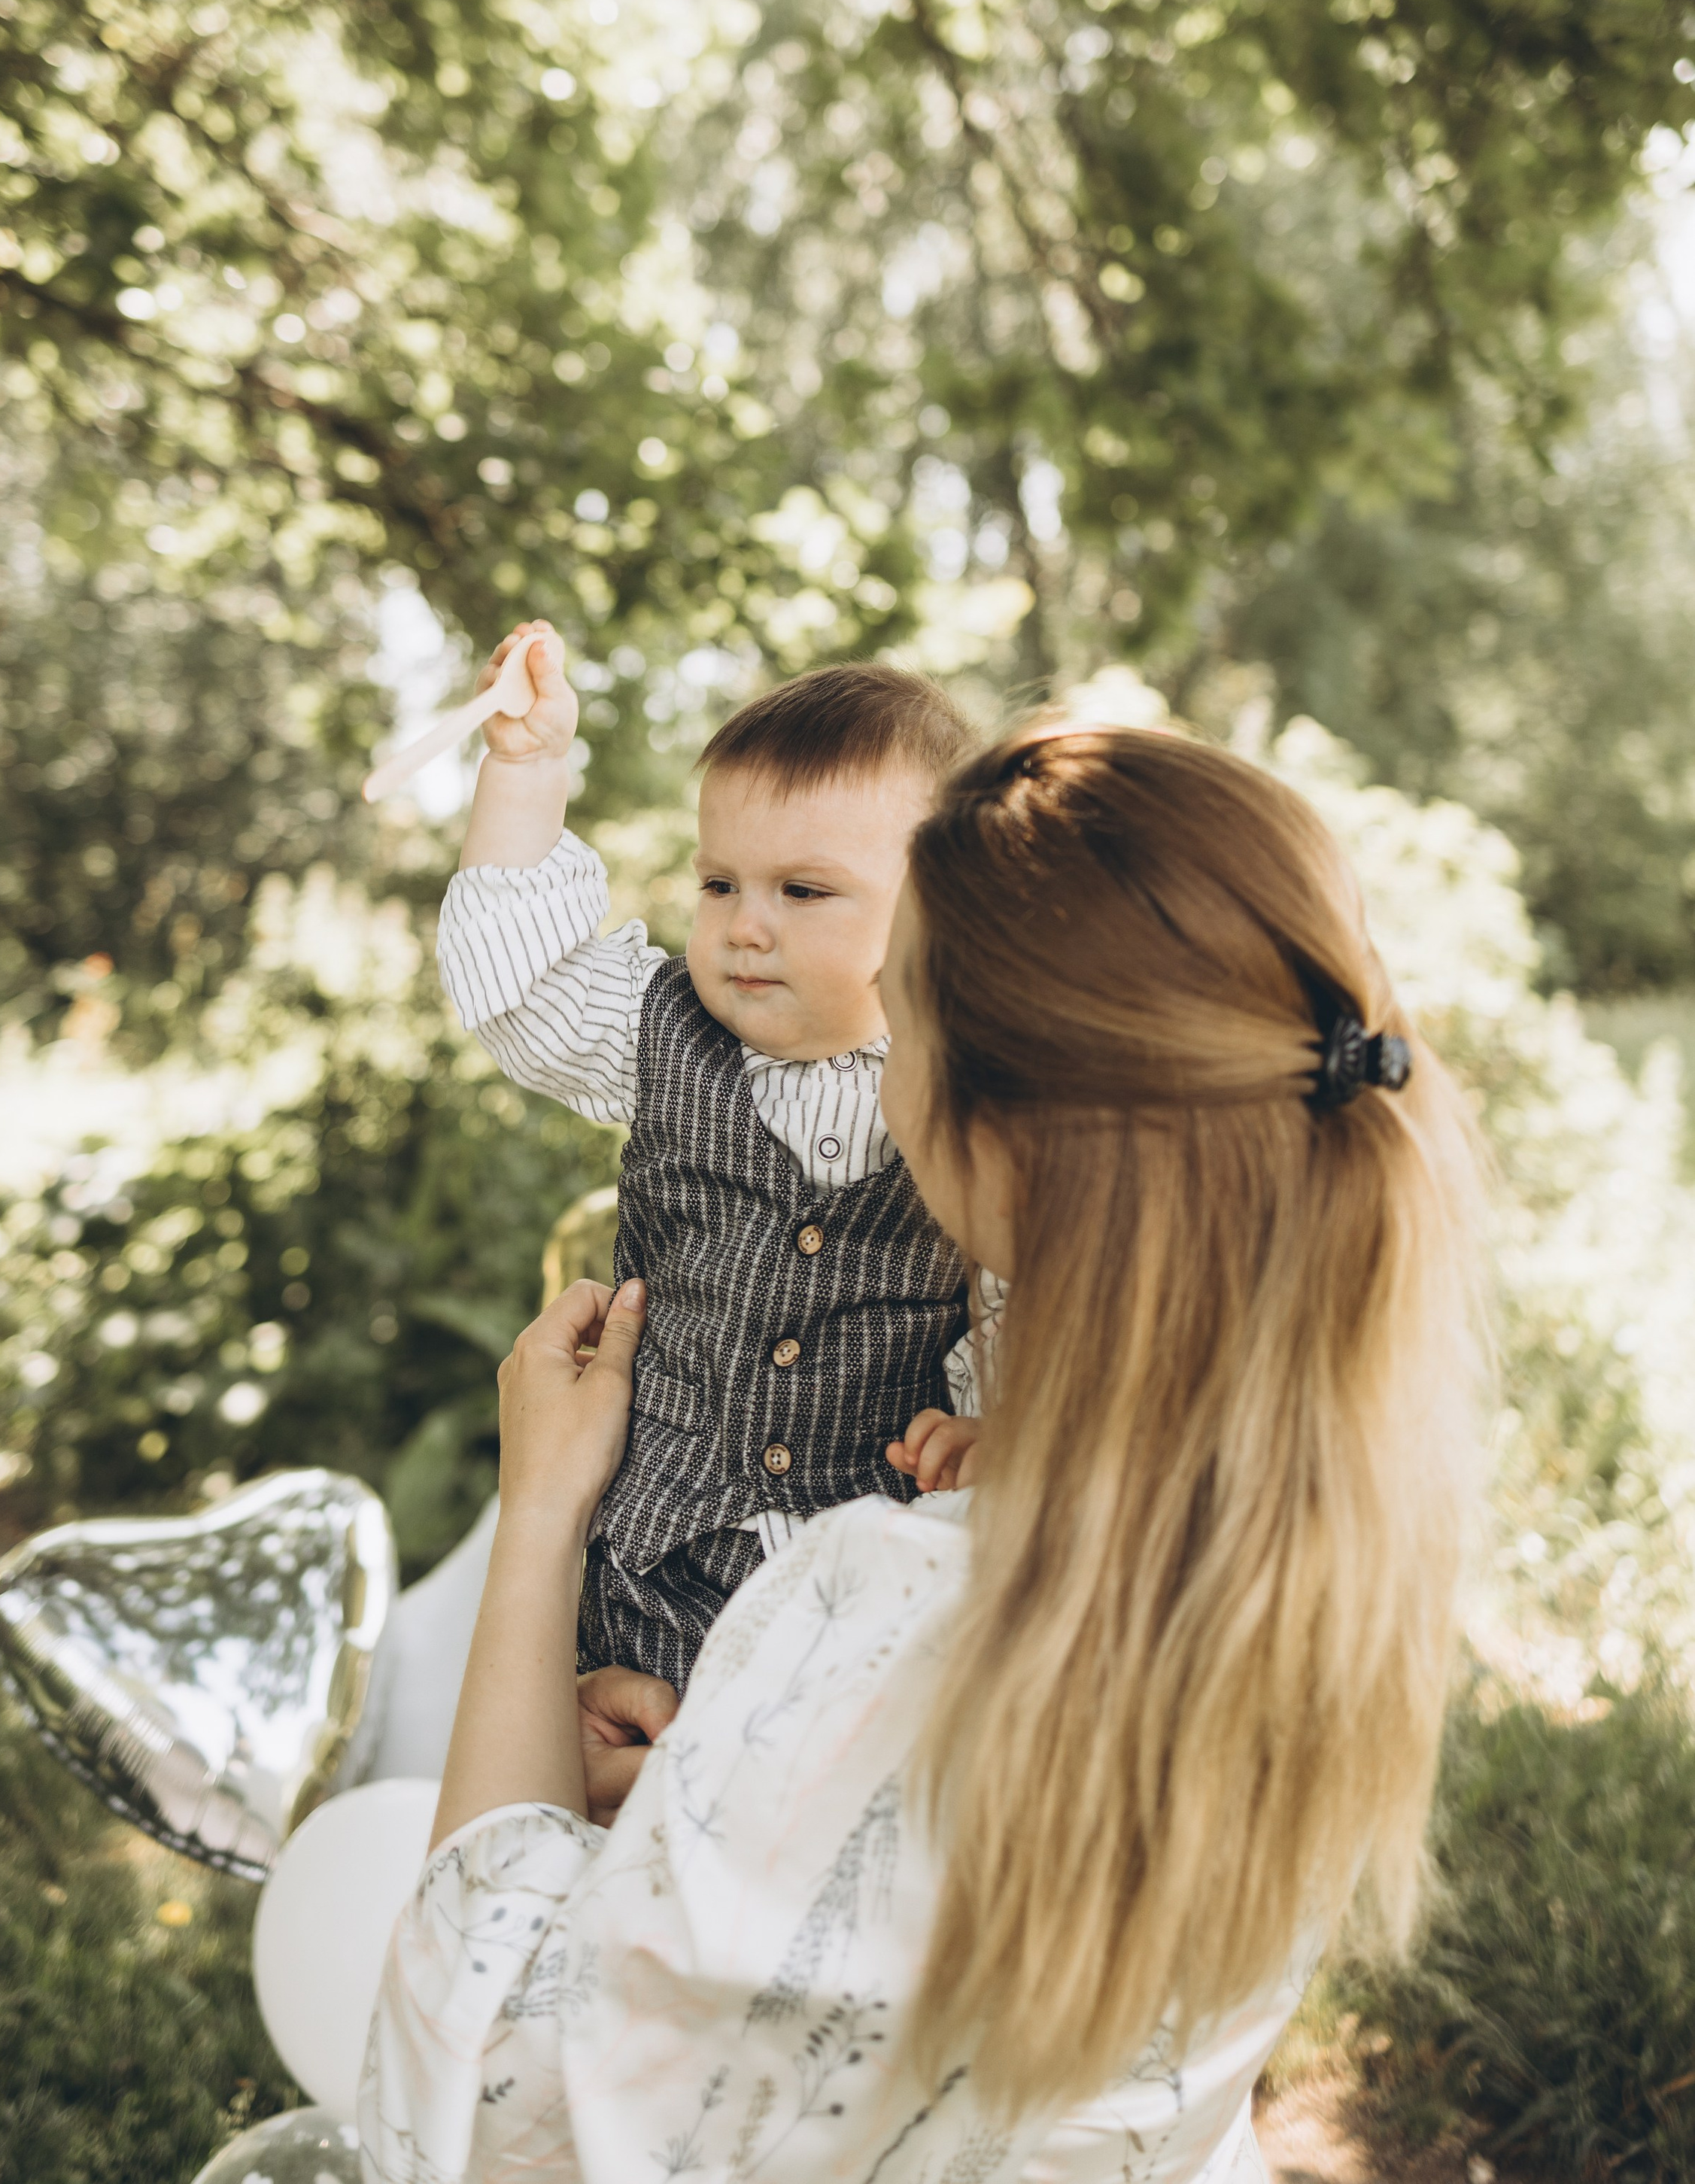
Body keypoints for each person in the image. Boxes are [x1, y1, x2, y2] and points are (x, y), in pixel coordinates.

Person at [357, 719, 1485, 2184]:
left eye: (906, 1006)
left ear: (988, 1129)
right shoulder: (1314, 1566)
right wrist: (718, 1801)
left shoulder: (878, 1598)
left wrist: (540, 1518)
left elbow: (485, 2099)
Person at [435, 625, 998, 1693]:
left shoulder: (986, 1100)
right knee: (620, 1795)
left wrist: (1003, 1432)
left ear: (944, 912)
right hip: (659, 1570)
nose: (745, 927)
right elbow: (521, 982)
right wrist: (527, 769)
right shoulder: (668, 1035)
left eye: (803, 892)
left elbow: (1056, 1297)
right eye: (720, 885)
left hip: (880, 1599)